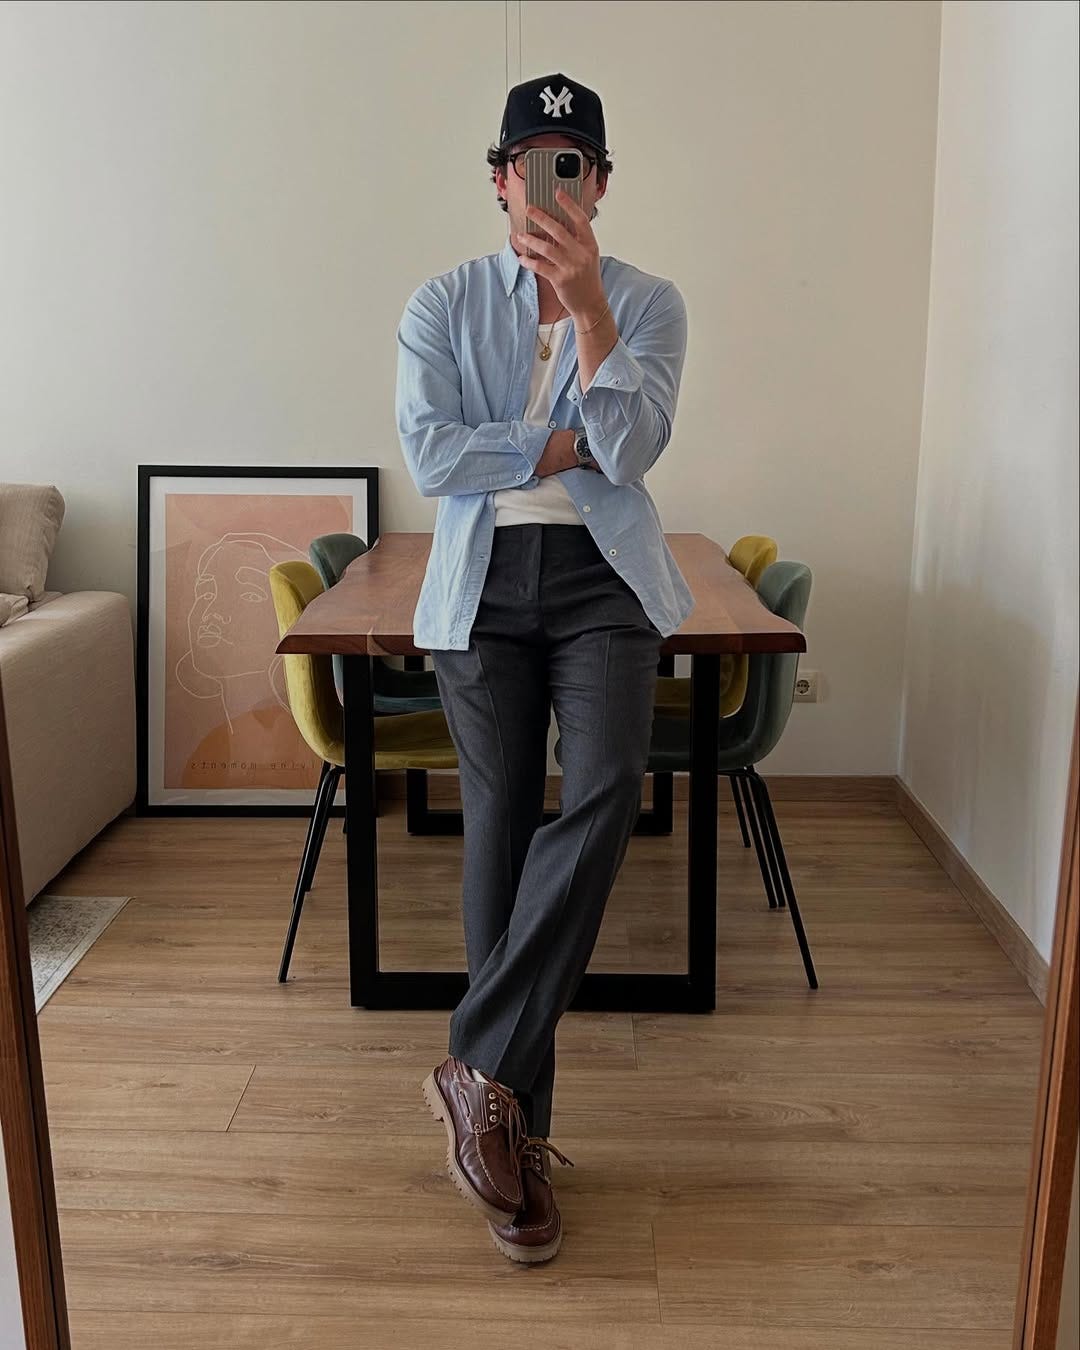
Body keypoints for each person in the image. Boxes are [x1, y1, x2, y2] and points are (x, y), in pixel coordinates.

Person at [397, 73, 694, 1263]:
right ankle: (511, 1142)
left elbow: (633, 451)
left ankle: (474, 1070)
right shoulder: (442, 301)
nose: (552, 183)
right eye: (533, 162)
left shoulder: (649, 302)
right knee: (502, 833)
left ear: (602, 184)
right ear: (499, 180)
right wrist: (559, 441)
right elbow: (433, 459)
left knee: (611, 785)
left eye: (574, 164)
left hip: (604, 582)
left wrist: (590, 315)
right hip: (480, 581)